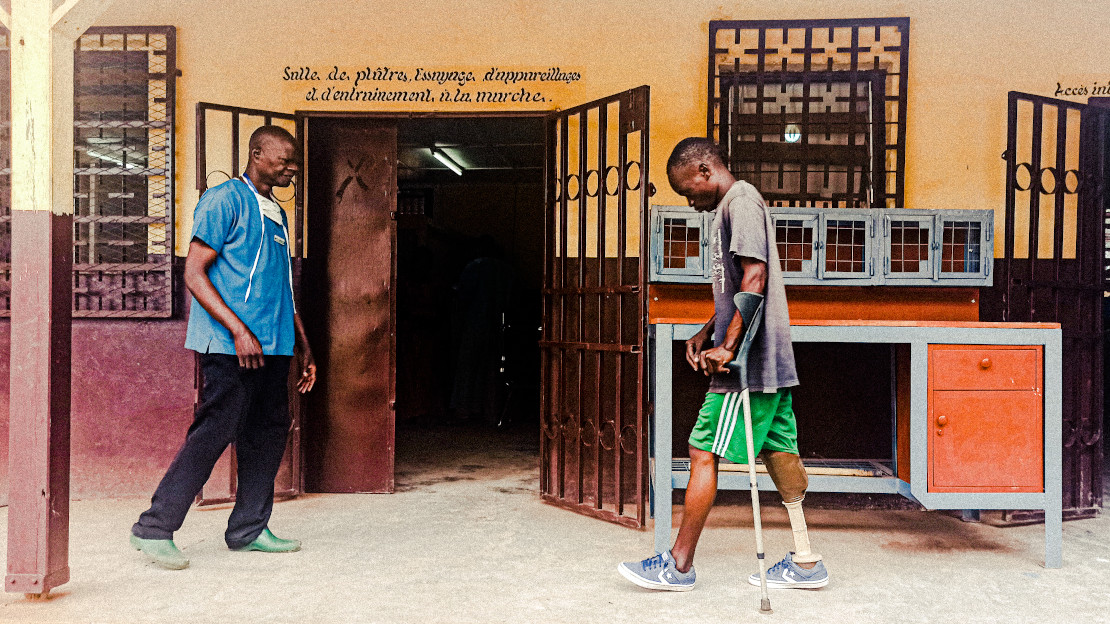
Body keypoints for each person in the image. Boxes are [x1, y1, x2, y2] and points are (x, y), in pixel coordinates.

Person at [618, 137, 828, 591]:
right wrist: (706, 330)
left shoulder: (741, 201)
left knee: (701, 451)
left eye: (688, 191)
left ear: (704, 170)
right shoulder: (731, 206)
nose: (691, 203)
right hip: (768, 359)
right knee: (780, 453)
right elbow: (738, 289)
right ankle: (807, 561)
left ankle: (678, 567)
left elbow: (755, 276)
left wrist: (729, 348)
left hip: (747, 367)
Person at [130, 126, 316, 570]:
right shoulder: (223, 199)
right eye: (284, 159)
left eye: (295, 162)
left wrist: (304, 346)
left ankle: (249, 528)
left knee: (270, 431)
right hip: (232, 343)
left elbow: (283, 288)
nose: (292, 167)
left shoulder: (276, 213)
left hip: (274, 344)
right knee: (216, 428)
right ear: (256, 154)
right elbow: (193, 273)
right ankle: (154, 527)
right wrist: (237, 330)